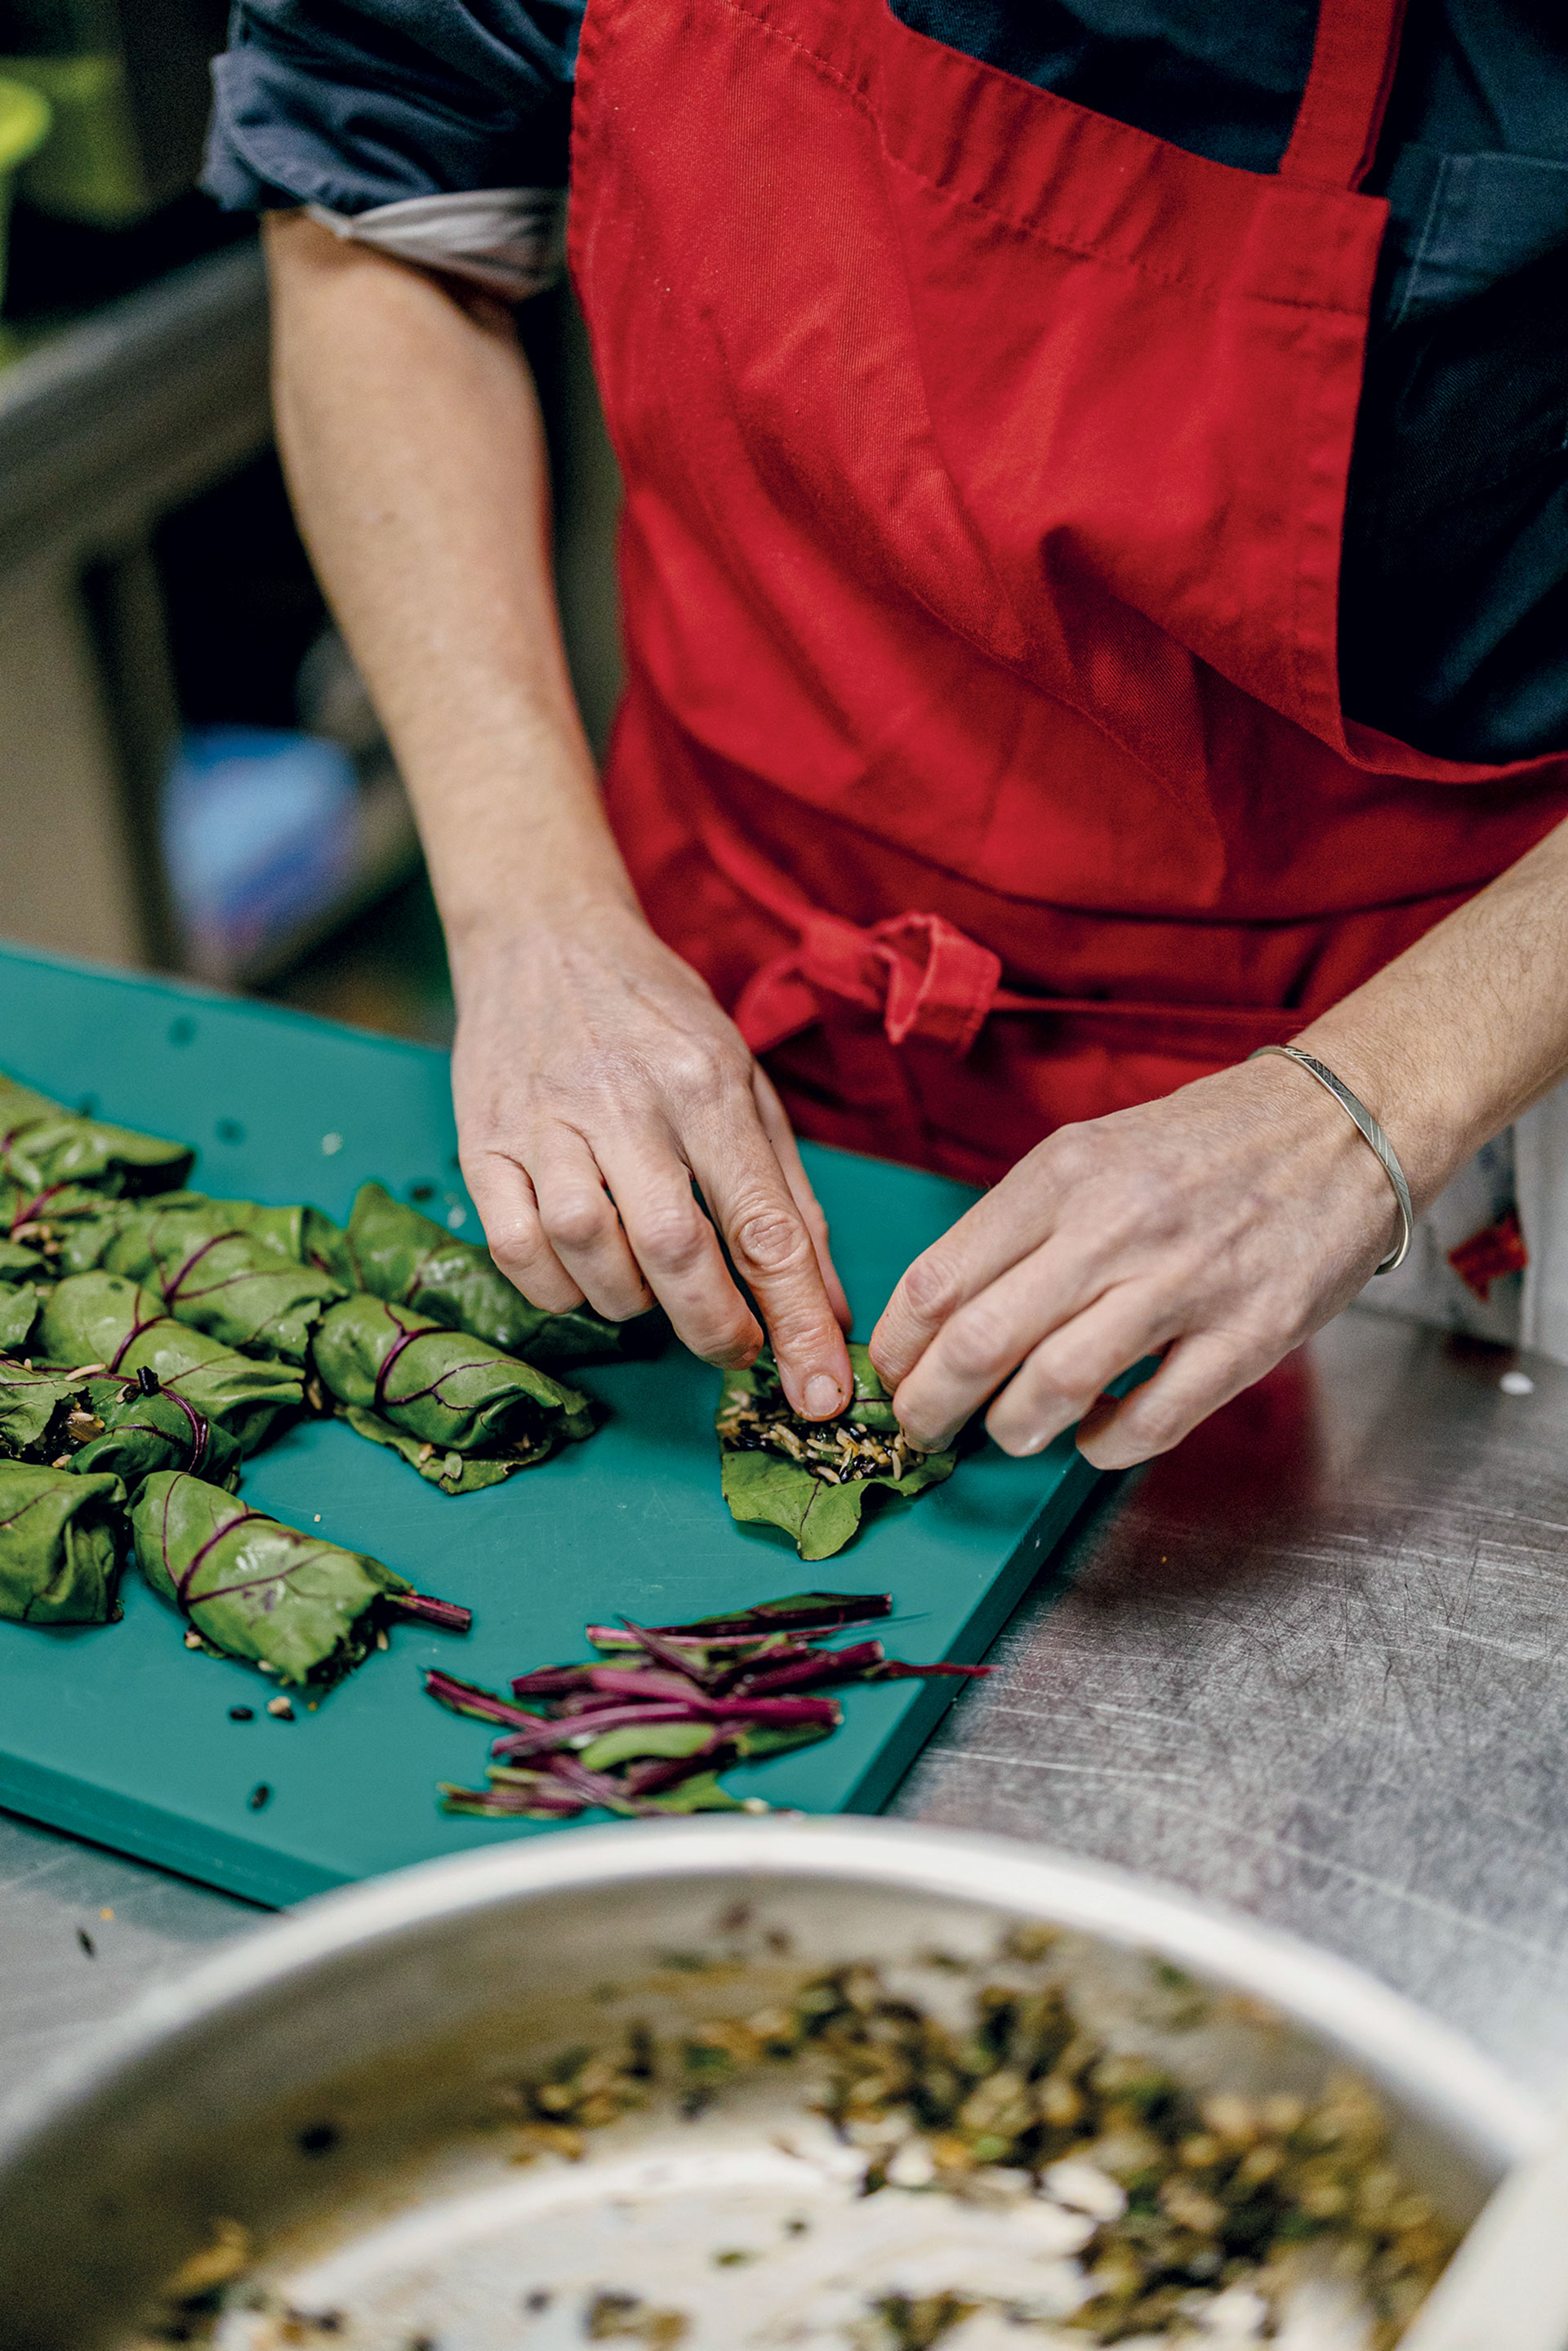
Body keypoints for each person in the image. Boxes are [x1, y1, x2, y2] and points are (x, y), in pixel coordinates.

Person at [207, 0, 1568, 1471]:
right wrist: (528, 906)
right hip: (725, 952)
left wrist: (1366, 1112)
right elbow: (378, 197)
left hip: (1420, 1046)